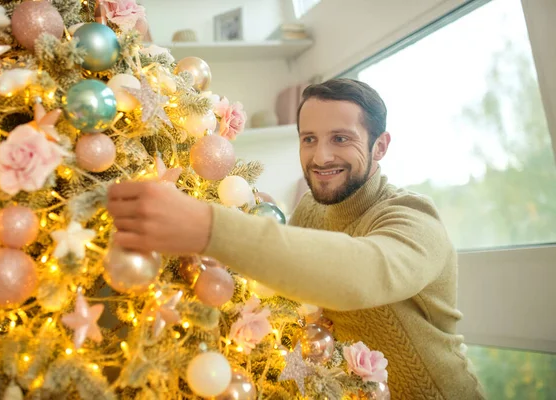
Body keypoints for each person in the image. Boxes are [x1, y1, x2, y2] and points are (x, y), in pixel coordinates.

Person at [107, 78, 485, 399]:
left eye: (340, 138)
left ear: (380, 146)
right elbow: (294, 279)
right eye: (309, 139)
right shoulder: (311, 210)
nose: (320, 157)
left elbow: (359, 274)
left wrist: (209, 227)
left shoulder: (413, 218)